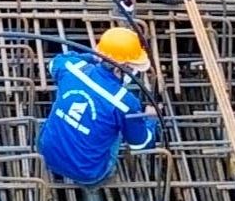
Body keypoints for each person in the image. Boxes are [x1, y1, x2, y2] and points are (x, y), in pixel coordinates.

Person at [37, 28, 162, 186]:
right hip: (87, 172)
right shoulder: (125, 102)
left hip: (45, 152)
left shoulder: (71, 68)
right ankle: (95, 184)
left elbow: (58, 60)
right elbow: (140, 144)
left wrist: (93, 57)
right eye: (132, 67)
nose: (134, 72)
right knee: (119, 128)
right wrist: (151, 119)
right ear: (119, 68)